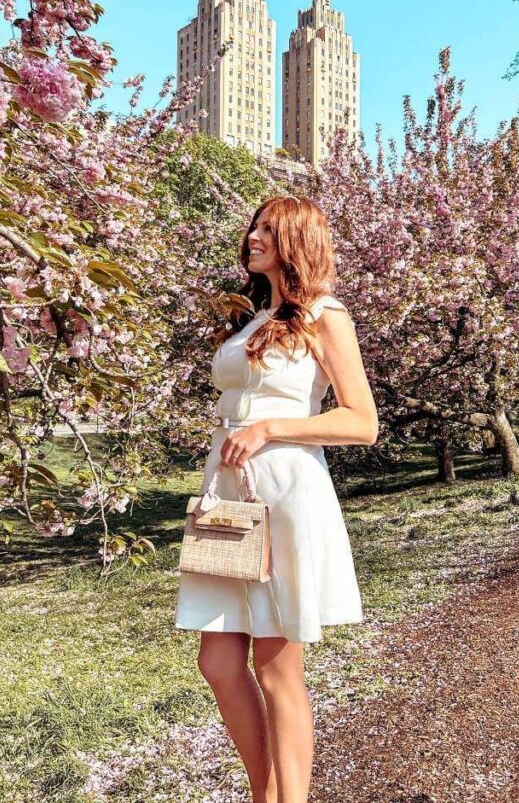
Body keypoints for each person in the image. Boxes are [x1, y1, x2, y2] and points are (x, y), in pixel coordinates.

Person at [174, 195, 378, 803]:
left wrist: (268, 428)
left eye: (268, 227)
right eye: (253, 224)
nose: (253, 234)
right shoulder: (252, 320)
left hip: (287, 490)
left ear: (296, 240)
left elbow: (361, 421)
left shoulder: (323, 313)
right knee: (217, 662)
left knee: (276, 666)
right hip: (226, 494)